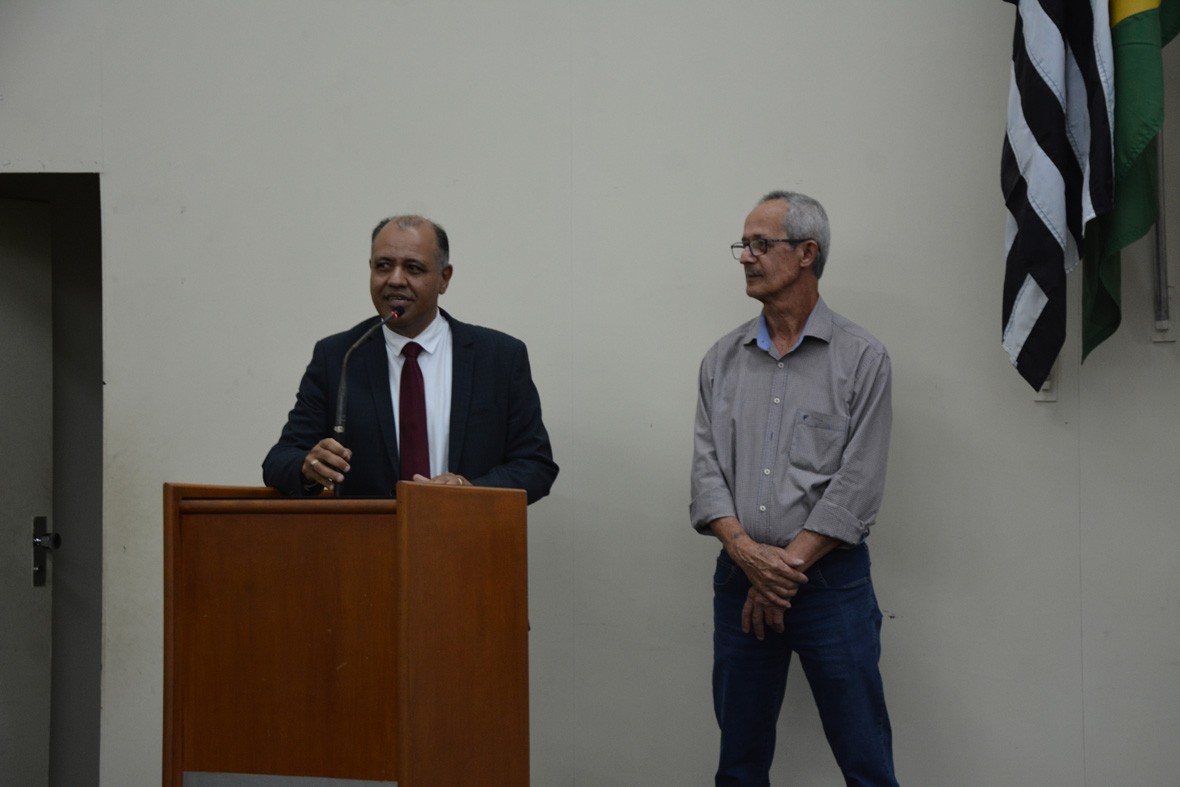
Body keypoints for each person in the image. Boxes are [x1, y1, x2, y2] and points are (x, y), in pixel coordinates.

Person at [691, 191, 897, 786]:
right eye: (743, 245)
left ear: (807, 253)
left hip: (830, 586)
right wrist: (748, 556)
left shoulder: (862, 358)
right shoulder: (721, 360)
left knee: (866, 763)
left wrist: (780, 572)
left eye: (761, 244)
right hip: (739, 577)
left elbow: (858, 484)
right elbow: (706, 472)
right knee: (739, 766)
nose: (746, 257)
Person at [263, 214, 558, 502]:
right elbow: (280, 461)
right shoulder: (339, 356)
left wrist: (468, 490)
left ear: (444, 278)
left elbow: (535, 466)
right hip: (369, 533)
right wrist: (309, 466)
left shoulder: (499, 358)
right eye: (383, 266)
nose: (395, 279)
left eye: (413, 268)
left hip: (468, 530)